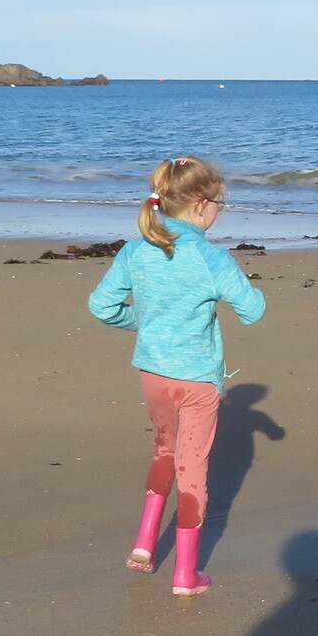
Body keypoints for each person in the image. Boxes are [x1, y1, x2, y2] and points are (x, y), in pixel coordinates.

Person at [89, 156, 266, 596]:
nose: (219, 211)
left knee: (164, 450)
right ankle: (186, 574)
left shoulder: (135, 250)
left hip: (153, 372)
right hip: (197, 379)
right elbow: (253, 310)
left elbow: (102, 306)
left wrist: (150, 323)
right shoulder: (211, 257)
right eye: (219, 204)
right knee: (193, 470)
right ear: (202, 204)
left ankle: (144, 543)